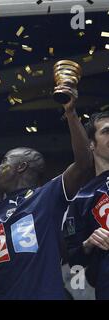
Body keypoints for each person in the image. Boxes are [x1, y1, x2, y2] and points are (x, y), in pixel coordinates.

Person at [0, 87, 93, 299]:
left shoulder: (46, 197)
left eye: (4, 162)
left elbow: (83, 164)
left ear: (21, 166)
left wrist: (71, 113)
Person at [64, 111, 109, 299]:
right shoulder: (81, 197)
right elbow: (73, 256)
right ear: (91, 144)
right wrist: (89, 243)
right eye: (106, 131)